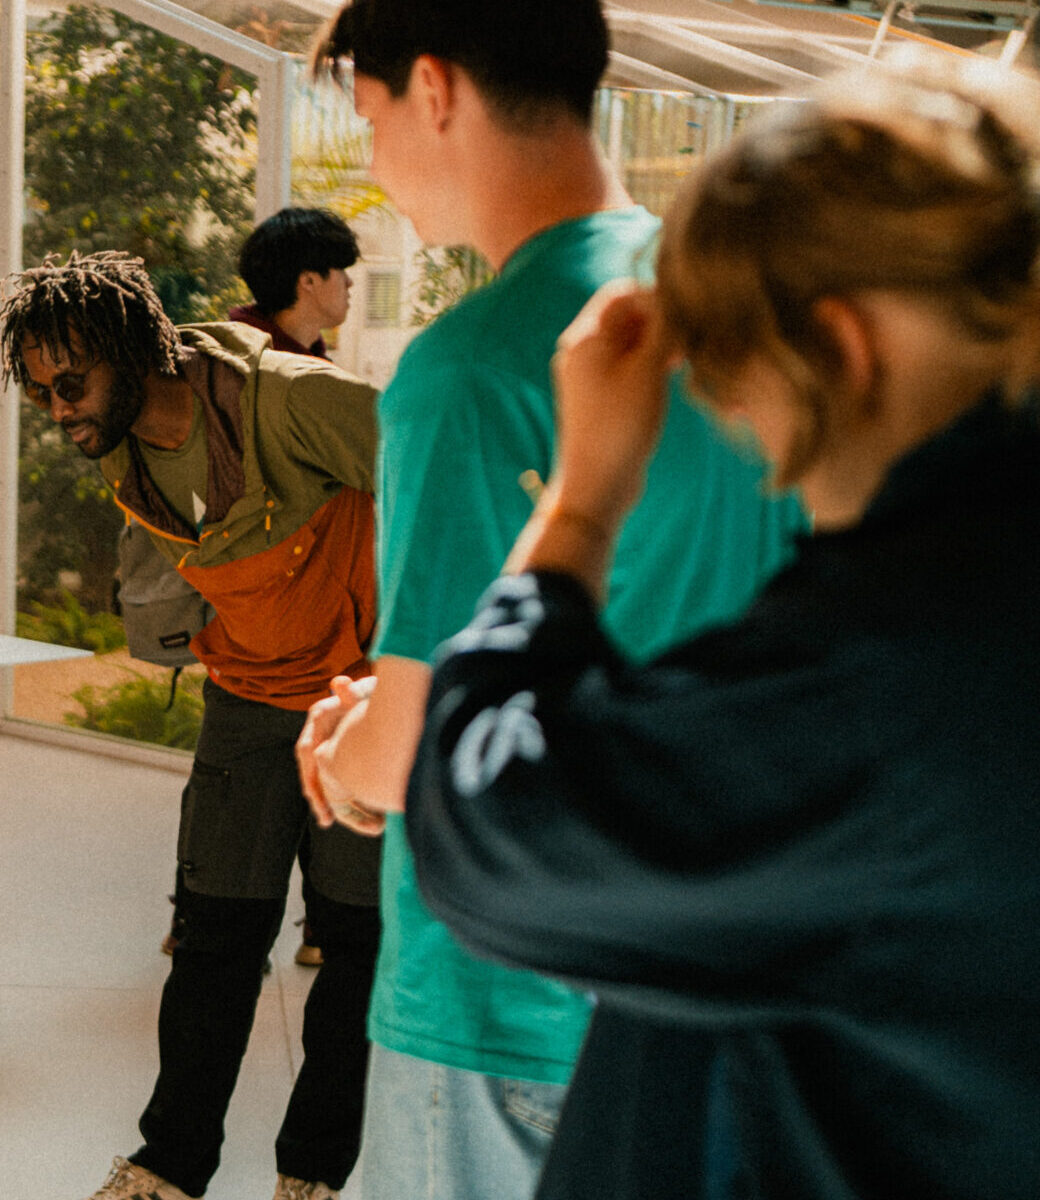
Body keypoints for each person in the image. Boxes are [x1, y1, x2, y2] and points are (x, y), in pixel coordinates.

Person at [407, 52, 1040, 1197]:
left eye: (725, 364)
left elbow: (492, 833)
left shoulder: (905, 673)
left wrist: (578, 503)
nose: (731, 417)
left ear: (839, 351)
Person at [293, 3, 805, 1197]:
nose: (371, 167)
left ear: (434, 90)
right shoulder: (729, 316)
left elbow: (409, 749)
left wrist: (341, 753)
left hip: (499, 997)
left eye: (368, 121)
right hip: (690, 987)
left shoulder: (468, 366)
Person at [0, 252, 383, 1200]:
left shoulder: (290, 398)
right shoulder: (121, 442)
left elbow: (448, 485)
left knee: (357, 945)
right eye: (41, 391)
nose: (58, 410)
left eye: (71, 382)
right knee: (215, 937)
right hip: (248, 697)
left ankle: (315, 1174)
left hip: (357, 697)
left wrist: (419, 666)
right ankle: (171, 1164)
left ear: (133, 351)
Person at [227, 205, 361, 972]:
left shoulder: (257, 355)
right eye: (342, 274)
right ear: (310, 282)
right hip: (275, 608)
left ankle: (302, 921)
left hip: (291, 612)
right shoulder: (272, 374)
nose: (348, 289)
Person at [232, 207, 360, 360]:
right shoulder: (252, 368)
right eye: (341, 270)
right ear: (308, 281)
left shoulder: (303, 360)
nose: (349, 282)